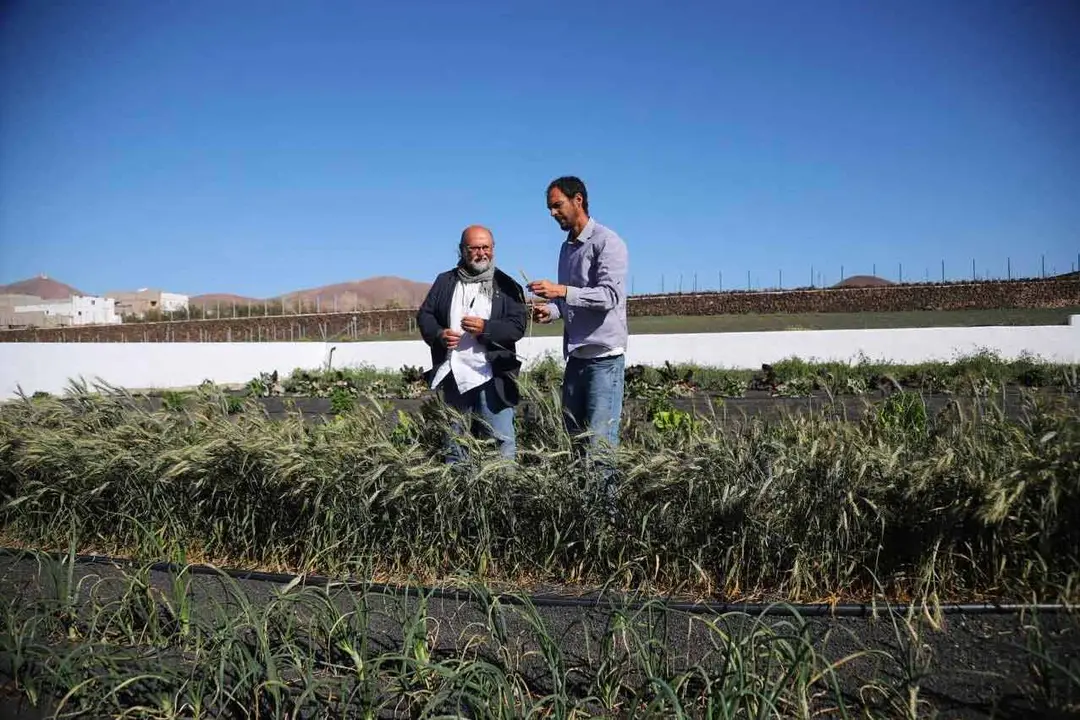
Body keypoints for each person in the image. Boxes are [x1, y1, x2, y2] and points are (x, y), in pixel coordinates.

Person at [527, 176, 629, 517]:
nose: (553, 214)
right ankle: (584, 519)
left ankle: (607, 524)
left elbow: (609, 297)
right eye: (550, 208)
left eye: (558, 206)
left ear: (578, 200)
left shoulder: (607, 242)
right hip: (576, 359)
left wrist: (560, 292)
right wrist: (552, 310)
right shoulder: (567, 248)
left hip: (604, 360)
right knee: (576, 445)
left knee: (601, 449)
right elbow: (572, 301)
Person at [417, 224, 528, 463]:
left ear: (493, 248)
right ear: (462, 250)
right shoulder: (445, 281)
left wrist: (486, 329)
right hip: (454, 376)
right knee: (455, 445)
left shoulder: (507, 285)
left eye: (485, 247)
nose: (481, 253)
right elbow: (425, 316)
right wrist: (439, 334)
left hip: (493, 377)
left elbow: (517, 327)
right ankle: (458, 496)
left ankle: (503, 495)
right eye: (474, 248)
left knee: (500, 446)